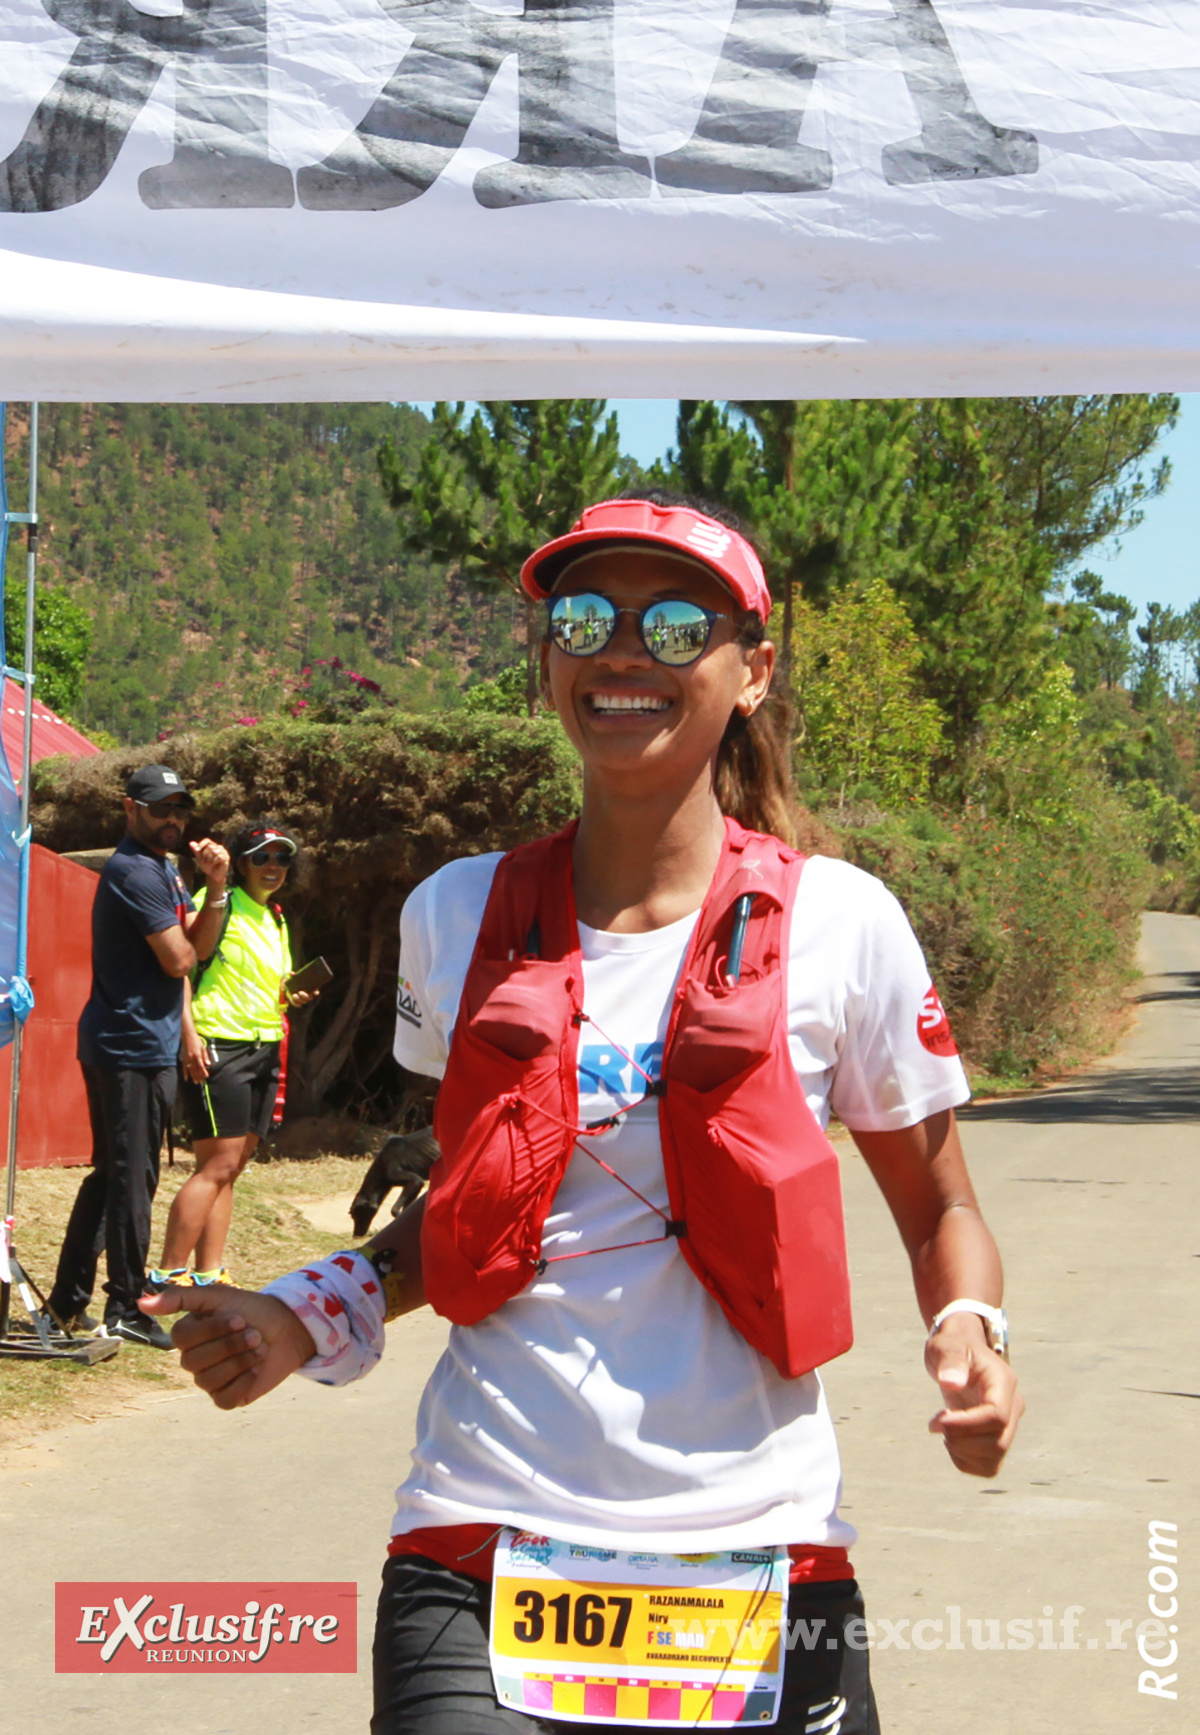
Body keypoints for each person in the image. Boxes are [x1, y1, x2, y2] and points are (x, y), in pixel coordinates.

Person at [146, 495, 1024, 1732]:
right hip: (481, 1546)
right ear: (546, 658)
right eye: (583, 618)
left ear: (751, 671)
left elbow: (941, 1206)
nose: (623, 651)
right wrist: (303, 1313)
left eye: (674, 624)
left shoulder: (843, 923)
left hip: (763, 1555)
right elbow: (467, 1214)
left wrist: (974, 1331)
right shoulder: (457, 916)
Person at [47, 765, 230, 1349]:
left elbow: (193, 953)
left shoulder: (166, 870)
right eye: (160, 809)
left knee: (116, 1177)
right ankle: (125, 1304)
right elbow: (180, 960)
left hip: (141, 1041)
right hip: (126, 1044)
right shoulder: (133, 869)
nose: (173, 819)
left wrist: (218, 887)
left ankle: (66, 1303)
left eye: (180, 809)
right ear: (131, 809)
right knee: (132, 1180)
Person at [147, 820, 316, 1292]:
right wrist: (189, 1036)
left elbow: (271, 984)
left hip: (264, 1047)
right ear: (241, 862)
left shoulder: (276, 918)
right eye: (261, 857)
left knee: (232, 1168)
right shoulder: (213, 902)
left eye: (282, 858)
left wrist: (291, 993)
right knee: (215, 1166)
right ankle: (165, 1275)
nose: (273, 867)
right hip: (219, 1043)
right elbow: (180, 967)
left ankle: (210, 1274)